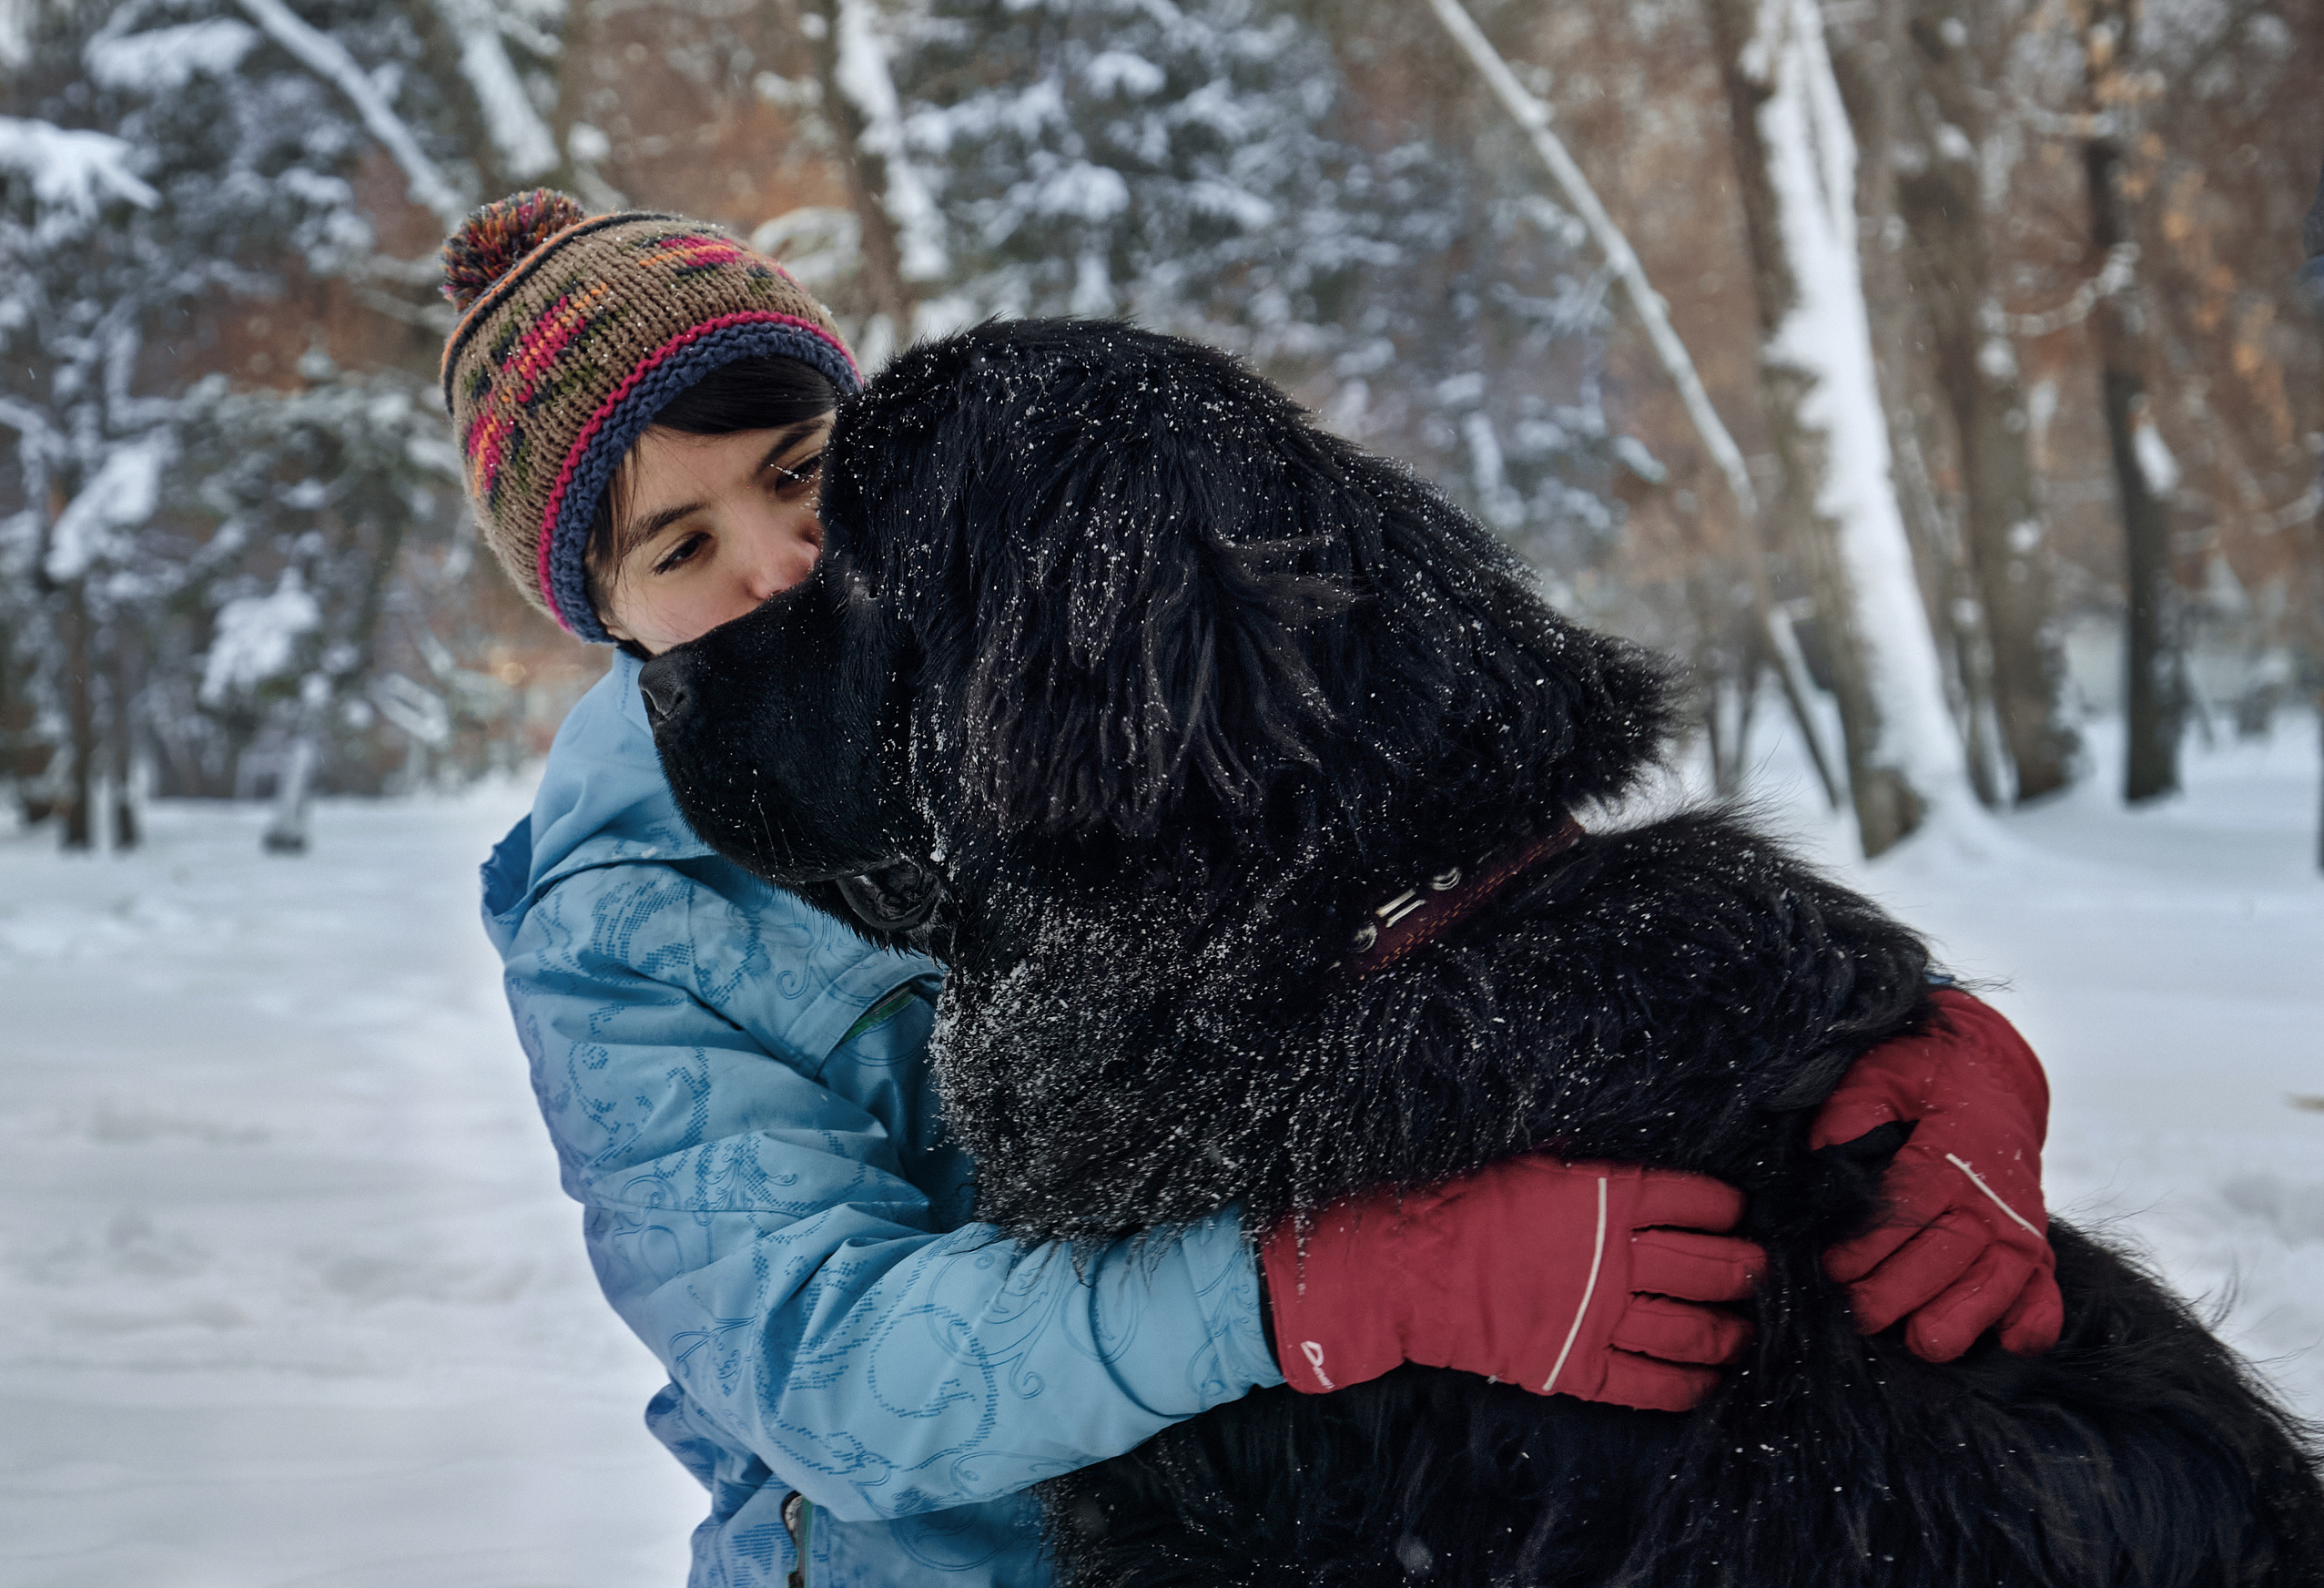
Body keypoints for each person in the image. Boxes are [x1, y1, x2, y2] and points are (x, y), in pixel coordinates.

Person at [450, 192, 2064, 1587]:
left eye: (800, 470)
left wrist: (1906, 1056)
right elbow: (829, 1363)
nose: (777, 560)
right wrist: (1324, 1283)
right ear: (609, 625)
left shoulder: (1072, 676)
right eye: (678, 547)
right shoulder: (630, 926)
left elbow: (1454, 871)